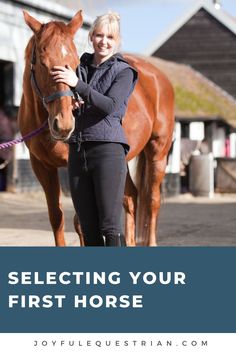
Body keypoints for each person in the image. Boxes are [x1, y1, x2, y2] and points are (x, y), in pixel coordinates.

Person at [51, 12, 138, 247]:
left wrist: (77, 85)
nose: (104, 41)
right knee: (87, 229)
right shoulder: (80, 68)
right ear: (91, 36)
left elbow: (110, 105)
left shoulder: (124, 72)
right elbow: (68, 97)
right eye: (99, 35)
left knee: (109, 227)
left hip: (108, 150)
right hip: (78, 151)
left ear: (117, 40)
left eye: (110, 36)